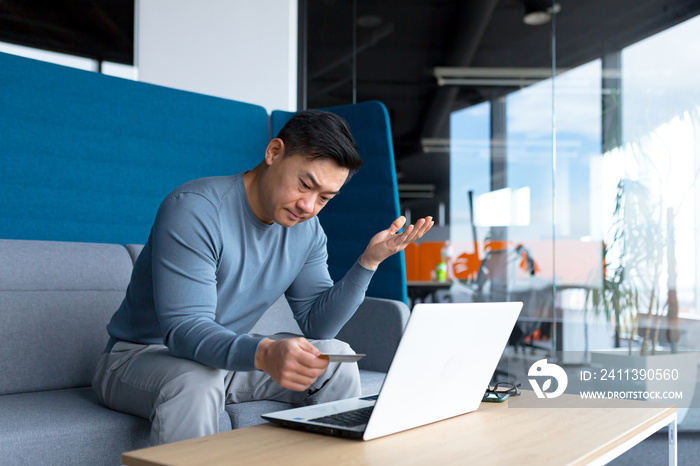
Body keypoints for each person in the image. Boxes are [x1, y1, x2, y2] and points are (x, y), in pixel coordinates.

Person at [92, 109, 433, 445]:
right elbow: (184, 330)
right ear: (273, 152)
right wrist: (264, 352)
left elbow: (318, 325)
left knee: (334, 358)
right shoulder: (195, 209)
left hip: (220, 362)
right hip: (140, 359)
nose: (309, 207)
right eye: (305, 185)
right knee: (196, 380)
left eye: (324, 198)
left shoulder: (307, 232)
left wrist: (369, 262)